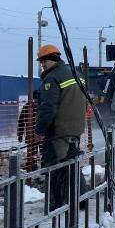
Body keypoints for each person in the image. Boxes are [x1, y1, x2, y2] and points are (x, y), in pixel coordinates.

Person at [34, 44, 87, 210]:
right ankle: (82, 199)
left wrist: (40, 130)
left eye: (44, 62)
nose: (43, 65)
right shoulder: (76, 73)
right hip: (75, 127)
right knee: (72, 163)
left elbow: (48, 107)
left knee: (53, 166)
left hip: (58, 130)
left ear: (52, 59)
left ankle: (54, 205)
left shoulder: (52, 77)